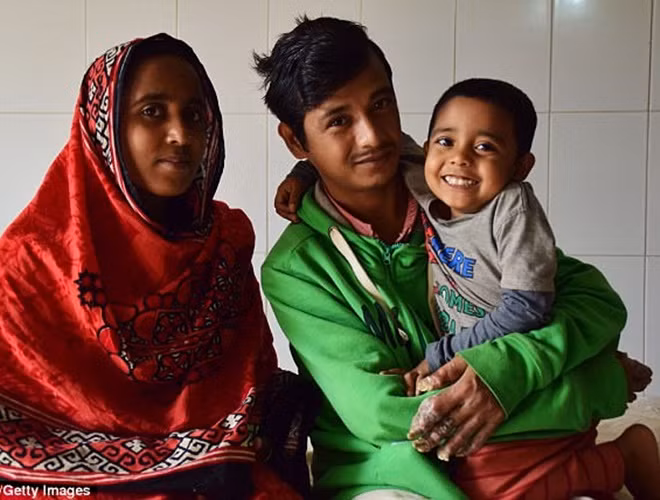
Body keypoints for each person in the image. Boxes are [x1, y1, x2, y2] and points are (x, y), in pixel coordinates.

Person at [255, 16, 656, 500]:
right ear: (296, 141)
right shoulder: (297, 269)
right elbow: (384, 413)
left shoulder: (460, 200)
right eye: (339, 121)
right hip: (392, 476)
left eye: (381, 104)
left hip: (523, 458)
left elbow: (594, 302)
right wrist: (595, 383)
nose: (372, 136)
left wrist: (507, 373)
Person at [0, 33, 317, 499]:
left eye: (194, 115)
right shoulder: (32, 260)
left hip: (213, 478)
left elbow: (251, 391)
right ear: (105, 129)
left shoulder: (223, 246)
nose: (181, 135)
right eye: (152, 112)